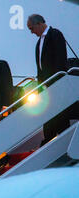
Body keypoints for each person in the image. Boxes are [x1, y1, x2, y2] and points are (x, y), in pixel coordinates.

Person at [27, 14, 71, 146]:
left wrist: (57, 81)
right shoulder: (39, 42)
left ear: (39, 24)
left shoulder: (55, 35)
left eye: (32, 28)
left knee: (60, 115)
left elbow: (60, 59)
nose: (31, 32)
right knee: (51, 115)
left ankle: (57, 141)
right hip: (46, 87)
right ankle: (51, 140)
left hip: (56, 84)